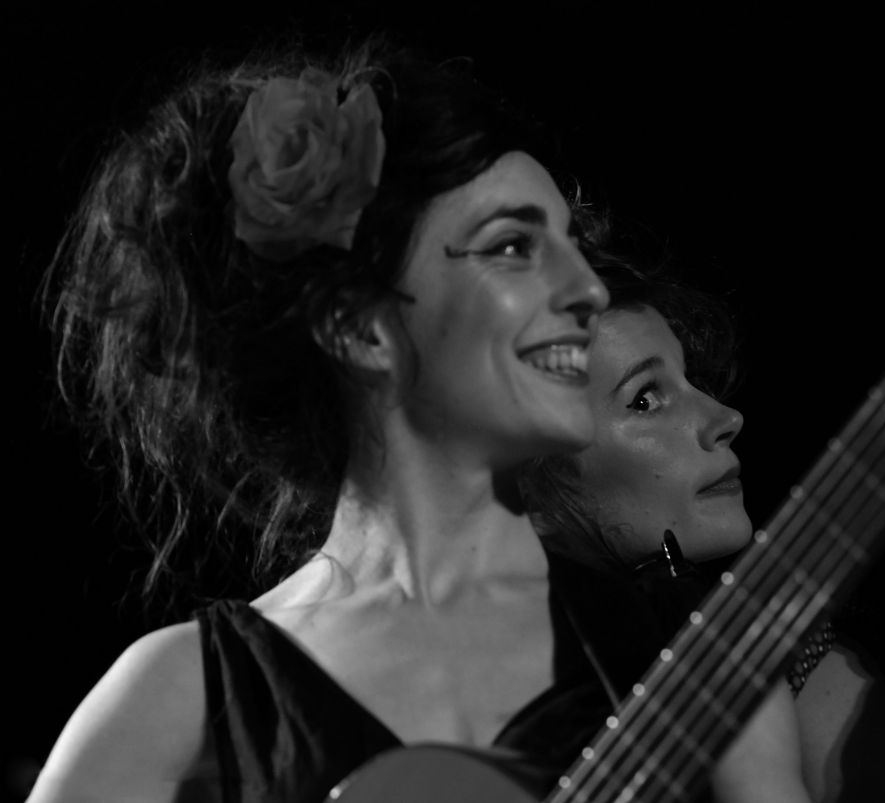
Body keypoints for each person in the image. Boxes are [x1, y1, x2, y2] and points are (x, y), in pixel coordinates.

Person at [31, 37, 618, 802]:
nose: (591, 289)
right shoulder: (185, 697)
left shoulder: (682, 642)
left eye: (571, 242)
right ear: (359, 326)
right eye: (512, 246)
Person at [518, 227, 885, 803]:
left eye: (691, 379)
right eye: (646, 399)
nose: (726, 418)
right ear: (523, 480)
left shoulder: (802, 672)